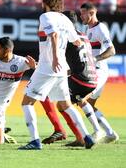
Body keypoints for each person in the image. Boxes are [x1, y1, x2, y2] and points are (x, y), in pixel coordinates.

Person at [18, 0, 95, 150]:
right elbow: (77, 42)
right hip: (61, 69)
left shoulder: (45, 16)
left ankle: (35, 141)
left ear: (45, 2)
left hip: (48, 67)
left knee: (27, 103)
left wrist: (54, 58)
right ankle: (87, 137)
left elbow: (53, 36)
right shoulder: (64, 19)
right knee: (67, 105)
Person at [41, 11, 104, 147]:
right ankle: (97, 130)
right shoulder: (83, 36)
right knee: (79, 100)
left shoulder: (67, 37)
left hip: (80, 79)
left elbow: (61, 61)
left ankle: (80, 137)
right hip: (92, 78)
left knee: (61, 104)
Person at [80, 2, 119, 143]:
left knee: (82, 99)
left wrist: (94, 59)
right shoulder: (87, 30)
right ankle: (110, 133)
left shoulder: (100, 28)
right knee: (89, 103)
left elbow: (112, 50)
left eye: (83, 13)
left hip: (99, 70)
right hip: (93, 70)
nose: (81, 16)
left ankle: (98, 132)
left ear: (91, 13)